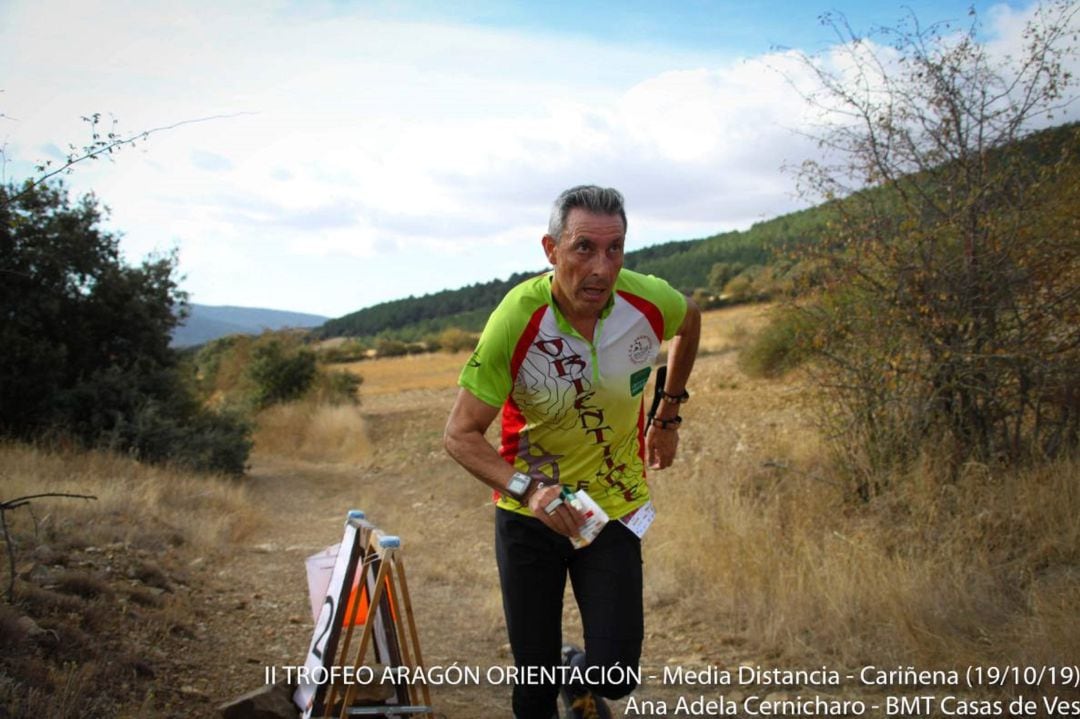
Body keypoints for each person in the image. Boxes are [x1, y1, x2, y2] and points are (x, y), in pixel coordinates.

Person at [444, 185, 700, 719]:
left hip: (612, 509)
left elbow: (690, 317)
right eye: (584, 247)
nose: (601, 268)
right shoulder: (517, 318)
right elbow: (461, 435)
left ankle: (574, 673)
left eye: (615, 249)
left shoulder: (647, 302)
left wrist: (667, 410)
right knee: (533, 685)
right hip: (528, 517)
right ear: (551, 250)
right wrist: (529, 490)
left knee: (616, 672)